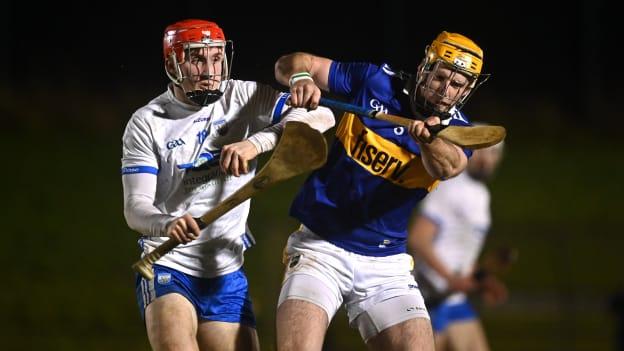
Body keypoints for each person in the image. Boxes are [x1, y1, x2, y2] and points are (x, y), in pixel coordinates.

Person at [121, 19, 334, 351]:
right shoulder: (148, 123)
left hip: (226, 269)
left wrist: (257, 143)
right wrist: (167, 223)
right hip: (170, 266)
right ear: (172, 64)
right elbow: (135, 209)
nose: (211, 70)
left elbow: (322, 117)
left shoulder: (241, 96)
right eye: (197, 59)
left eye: (217, 58)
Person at [273, 31, 489, 351]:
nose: (445, 91)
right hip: (320, 248)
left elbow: (448, 167)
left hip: (386, 264)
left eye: (456, 85)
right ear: (423, 69)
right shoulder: (374, 81)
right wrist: (301, 78)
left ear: (467, 90)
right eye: (440, 77)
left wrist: (428, 140)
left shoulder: (458, 130)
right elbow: (291, 63)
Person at [408, 139, 507, 351]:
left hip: (455, 299)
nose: (486, 160)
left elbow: (462, 251)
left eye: (494, 154)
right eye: (482, 152)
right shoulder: (449, 187)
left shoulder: (481, 196)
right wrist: (450, 278)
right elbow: (418, 238)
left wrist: (483, 280)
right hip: (430, 297)